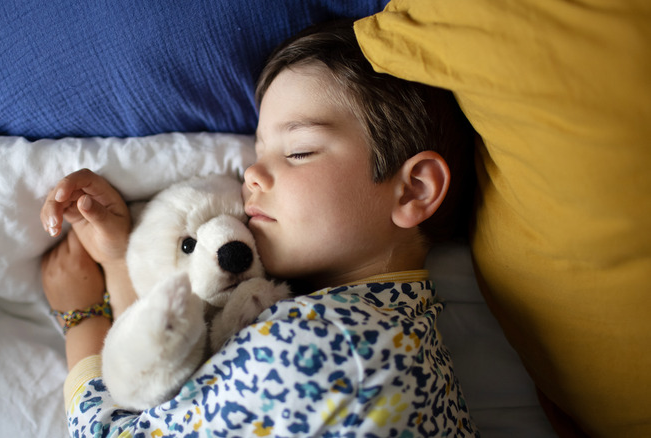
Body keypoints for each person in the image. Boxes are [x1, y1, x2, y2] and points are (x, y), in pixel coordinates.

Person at [40, 19, 478, 437]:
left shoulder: (317, 346)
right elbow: (160, 395)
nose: (251, 173)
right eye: (259, 150)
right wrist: (122, 259)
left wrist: (81, 317)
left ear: (414, 190)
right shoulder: (393, 336)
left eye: (299, 151)